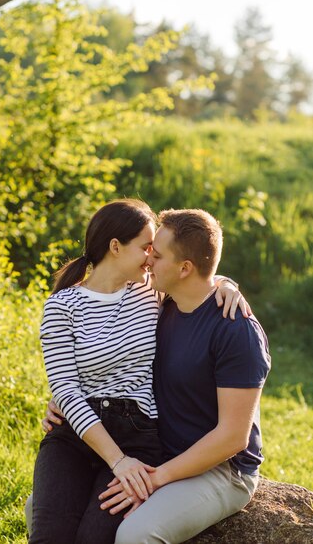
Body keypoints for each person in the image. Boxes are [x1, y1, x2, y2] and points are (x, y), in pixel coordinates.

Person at [27, 199, 247, 544]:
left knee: (94, 538)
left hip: (137, 434)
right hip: (77, 435)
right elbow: (66, 390)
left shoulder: (150, 292)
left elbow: (195, 276)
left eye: (154, 251)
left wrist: (229, 285)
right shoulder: (61, 306)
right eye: (146, 248)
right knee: (50, 535)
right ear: (115, 247)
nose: (151, 258)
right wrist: (118, 462)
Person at [97, 209, 271, 544]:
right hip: (158, 450)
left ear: (185, 268)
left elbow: (233, 438)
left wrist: (157, 478)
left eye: (157, 255)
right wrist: (63, 398)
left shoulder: (236, 331)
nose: (147, 261)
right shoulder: (161, 302)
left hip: (222, 470)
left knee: (136, 535)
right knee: (43, 508)